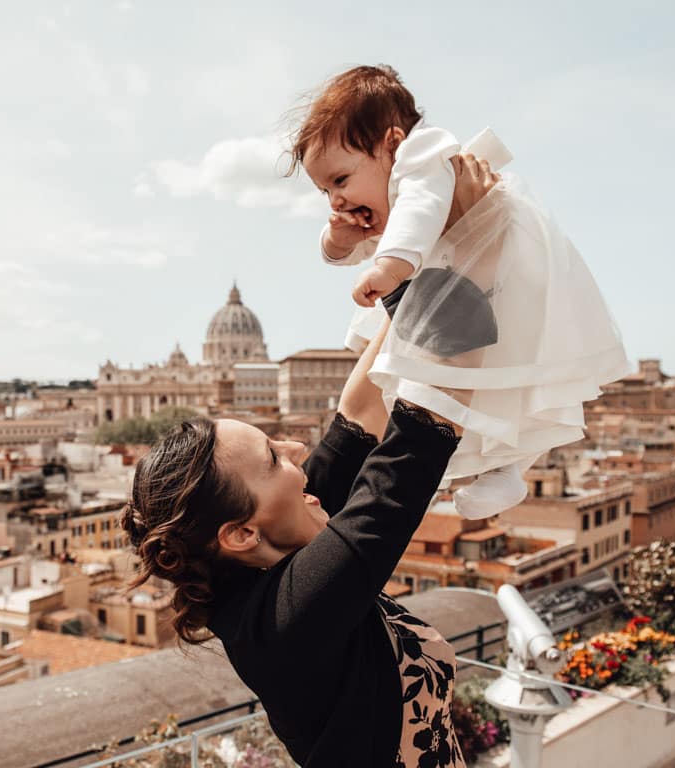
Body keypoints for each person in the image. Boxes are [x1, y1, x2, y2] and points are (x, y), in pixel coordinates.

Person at [120, 155, 495, 768]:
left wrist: (405, 242)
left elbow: (362, 409)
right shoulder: (291, 616)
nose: (297, 450)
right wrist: (465, 240)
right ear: (239, 532)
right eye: (272, 456)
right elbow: (427, 417)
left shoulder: (278, 540)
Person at [290, 64, 632, 520]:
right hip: (450, 282)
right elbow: (344, 252)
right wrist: (340, 238)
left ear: (393, 143)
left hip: (500, 275)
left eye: (340, 180)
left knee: (511, 378)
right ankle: (494, 471)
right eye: (323, 190)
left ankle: (508, 468)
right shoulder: (382, 199)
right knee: (462, 386)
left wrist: (390, 268)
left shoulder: (422, 157)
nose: (333, 199)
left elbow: (421, 209)